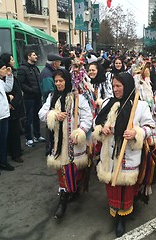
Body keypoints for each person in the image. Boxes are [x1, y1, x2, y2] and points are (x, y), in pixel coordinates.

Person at [93, 72, 155, 237]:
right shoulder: (108, 102)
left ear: (126, 86)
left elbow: (150, 126)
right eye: (113, 86)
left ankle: (123, 216)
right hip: (110, 152)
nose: (115, 89)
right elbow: (96, 122)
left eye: (119, 86)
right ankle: (114, 210)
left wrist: (137, 132)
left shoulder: (140, 105)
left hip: (128, 153)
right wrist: (102, 128)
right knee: (112, 184)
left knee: (125, 187)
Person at [38, 69, 92, 219]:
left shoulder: (78, 98)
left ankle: (73, 190)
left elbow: (87, 118)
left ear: (67, 81)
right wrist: (54, 114)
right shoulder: (51, 97)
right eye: (56, 81)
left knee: (76, 170)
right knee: (62, 170)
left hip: (74, 143)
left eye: (61, 80)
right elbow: (41, 114)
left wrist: (80, 132)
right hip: (58, 143)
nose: (58, 83)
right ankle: (62, 200)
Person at [0, 54, 25, 163]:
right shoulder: (2, 77)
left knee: (14, 131)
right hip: (10, 108)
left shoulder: (10, 74)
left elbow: (17, 90)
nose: (13, 61)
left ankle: (15, 151)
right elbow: (8, 91)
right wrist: (11, 102)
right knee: (12, 132)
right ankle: (15, 154)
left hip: (14, 106)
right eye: (12, 59)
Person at [17, 50, 45, 147]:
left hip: (37, 96)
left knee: (37, 117)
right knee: (28, 118)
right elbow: (21, 83)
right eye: (34, 55)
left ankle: (37, 135)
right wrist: (31, 90)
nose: (36, 56)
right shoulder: (22, 69)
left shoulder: (35, 68)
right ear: (29, 57)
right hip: (29, 97)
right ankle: (28, 138)